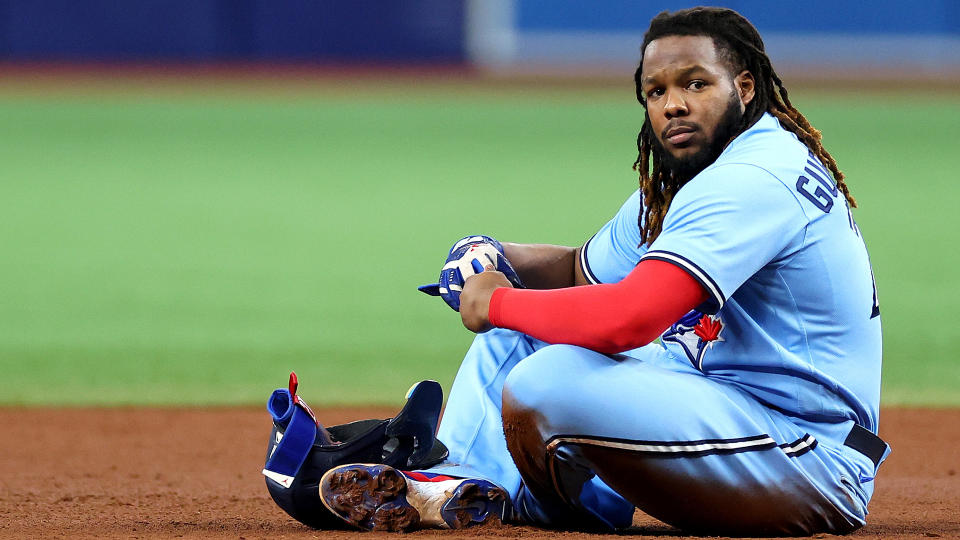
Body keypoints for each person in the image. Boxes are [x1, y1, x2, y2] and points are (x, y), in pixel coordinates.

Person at [318, 7, 888, 535]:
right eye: (656, 91)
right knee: (524, 335)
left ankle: (539, 499)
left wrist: (490, 301)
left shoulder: (753, 178)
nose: (674, 105)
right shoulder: (695, 174)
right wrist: (498, 256)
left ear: (744, 87)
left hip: (808, 455)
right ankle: (458, 488)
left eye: (696, 83)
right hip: (729, 412)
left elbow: (627, 319)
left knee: (547, 377)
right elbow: (580, 272)